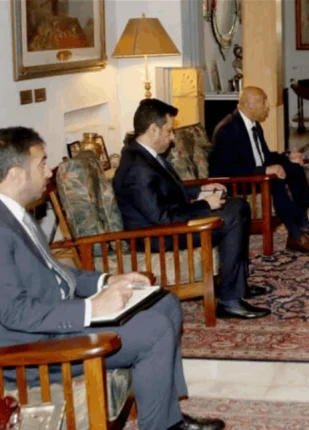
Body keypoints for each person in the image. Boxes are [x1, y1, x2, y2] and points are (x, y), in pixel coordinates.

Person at [0, 126, 225, 430]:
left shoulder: (16, 215)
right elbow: (15, 313)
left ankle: (170, 418)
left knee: (165, 302)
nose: (48, 171)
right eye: (41, 163)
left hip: (55, 323)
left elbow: (56, 272)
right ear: (16, 174)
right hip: (34, 348)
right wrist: (92, 308)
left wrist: (107, 281)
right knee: (154, 329)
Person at [113, 99, 270, 320]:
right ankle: (229, 301)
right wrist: (205, 204)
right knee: (232, 216)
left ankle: (238, 287)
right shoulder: (138, 169)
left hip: (168, 223)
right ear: (153, 129)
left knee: (238, 205)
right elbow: (163, 218)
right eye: (169, 131)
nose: (172, 137)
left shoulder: (144, 154)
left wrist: (199, 190)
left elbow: (165, 192)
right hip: (157, 237)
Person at [209, 86, 309, 253]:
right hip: (236, 183)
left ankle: (304, 223)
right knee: (275, 181)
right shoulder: (228, 129)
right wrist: (264, 171)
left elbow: (265, 156)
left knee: (295, 168)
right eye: (263, 101)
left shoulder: (253, 124)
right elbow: (228, 169)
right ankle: (295, 235)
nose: (267, 106)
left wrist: (288, 157)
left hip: (252, 174)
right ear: (249, 104)